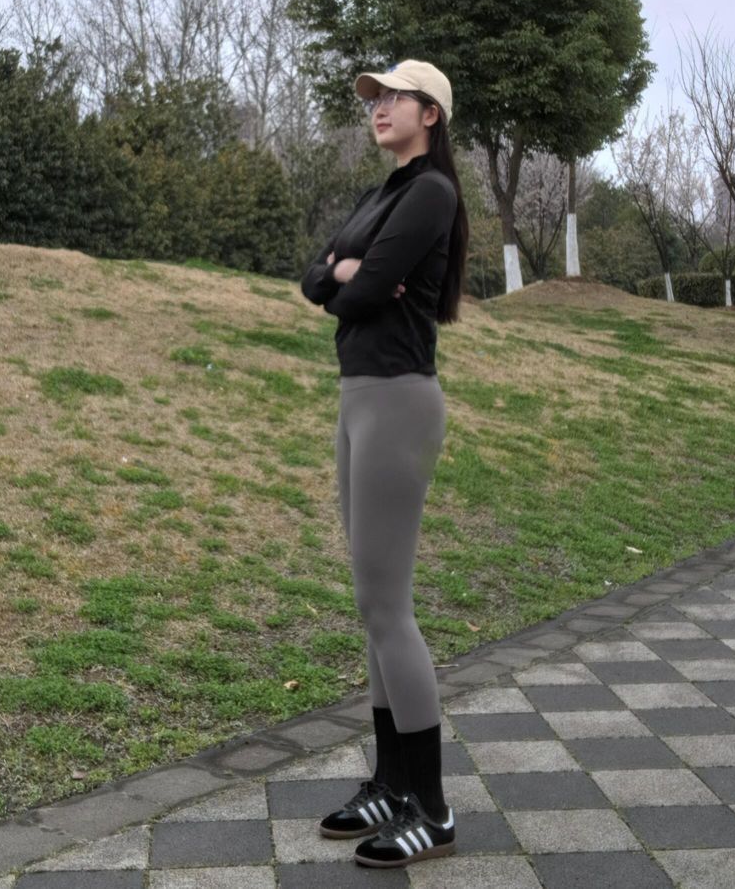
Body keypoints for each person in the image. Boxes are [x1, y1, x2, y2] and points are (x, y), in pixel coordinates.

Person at [300, 58, 469, 870]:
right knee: (373, 607)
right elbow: (319, 280)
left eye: (395, 96)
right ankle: (390, 785)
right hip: (358, 397)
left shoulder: (431, 192)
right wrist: (345, 272)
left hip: (398, 401)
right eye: (375, 97)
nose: (379, 106)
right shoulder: (381, 195)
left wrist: (352, 276)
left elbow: (361, 295)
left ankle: (430, 810)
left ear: (429, 113)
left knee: (388, 607)